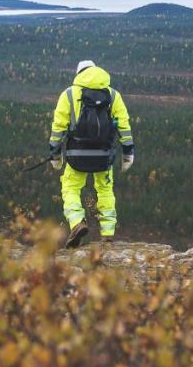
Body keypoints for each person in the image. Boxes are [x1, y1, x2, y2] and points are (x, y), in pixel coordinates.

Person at [48, 60, 134, 246]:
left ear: (79, 74)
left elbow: (58, 128)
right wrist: (128, 153)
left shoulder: (69, 94)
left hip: (77, 154)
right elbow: (124, 126)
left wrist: (55, 156)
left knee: (70, 188)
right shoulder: (112, 95)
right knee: (105, 190)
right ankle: (108, 233)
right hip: (104, 155)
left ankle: (77, 223)